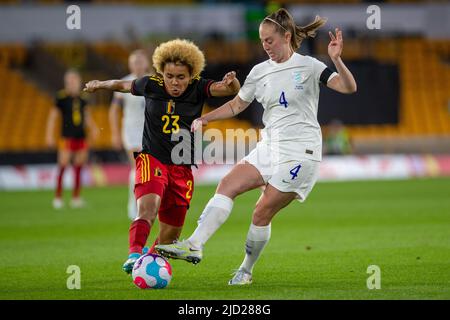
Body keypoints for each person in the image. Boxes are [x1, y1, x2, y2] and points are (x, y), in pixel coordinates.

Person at [155, 8, 357, 285]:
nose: (265, 46)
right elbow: (238, 104)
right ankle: (194, 244)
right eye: (262, 41)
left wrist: (337, 60)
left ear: (286, 36)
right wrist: (205, 118)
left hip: (301, 153)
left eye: (270, 40)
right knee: (227, 184)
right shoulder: (259, 71)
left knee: (261, 212)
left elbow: (349, 88)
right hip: (269, 147)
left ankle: (246, 270)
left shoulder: (310, 66)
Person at [83, 39, 240, 274]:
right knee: (148, 207)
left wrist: (233, 82)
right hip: (151, 158)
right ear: (161, 73)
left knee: (171, 237)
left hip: (182, 166)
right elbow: (122, 85)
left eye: (181, 77)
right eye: (169, 76)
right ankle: (134, 253)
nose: (175, 82)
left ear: (191, 75)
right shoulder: (151, 84)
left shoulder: (199, 86)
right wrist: (100, 84)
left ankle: (148, 261)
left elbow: (230, 91)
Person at [46, 69, 99, 209]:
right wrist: (49, 135)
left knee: (78, 167)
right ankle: (58, 197)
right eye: (69, 81)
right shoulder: (61, 98)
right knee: (63, 165)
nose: (72, 83)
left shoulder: (83, 99)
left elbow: (86, 117)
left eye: (74, 80)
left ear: (79, 82)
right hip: (66, 137)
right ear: (66, 83)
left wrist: (93, 128)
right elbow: (53, 117)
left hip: (81, 136)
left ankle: (76, 197)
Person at [109, 49, 149, 220]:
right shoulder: (124, 83)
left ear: (146, 63)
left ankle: (146, 203)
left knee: (150, 170)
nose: (138, 65)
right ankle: (134, 204)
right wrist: (115, 134)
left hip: (151, 132)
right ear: (130, 65)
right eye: (134, 62)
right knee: (139, 167)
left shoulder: (156, 81)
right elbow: (113, 110)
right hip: (131, 131)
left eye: (140, 61)